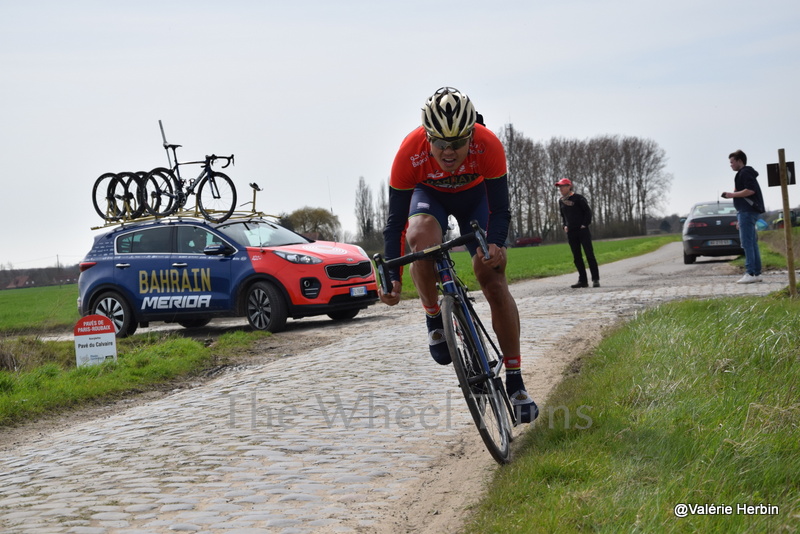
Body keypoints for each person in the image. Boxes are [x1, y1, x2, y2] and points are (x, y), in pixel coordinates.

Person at [380, 87, 538, 423]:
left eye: (457, 144)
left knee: (493, 277)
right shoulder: (409, 152)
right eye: (439, 143)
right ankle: (433, 315)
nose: (448, 152)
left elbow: (501, 208)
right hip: (430, 198)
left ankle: (515, 380)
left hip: (475, 199)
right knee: (419, 240)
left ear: (471, 135)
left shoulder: (488, 144)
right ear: (427, 137)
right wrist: (392, 279)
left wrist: (495, 243)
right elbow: (394, 225)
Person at [722, 149, 765, 284]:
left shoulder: (744, 172)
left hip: (747, 212)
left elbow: (750, 190)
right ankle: (756, 273)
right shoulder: (746, 172)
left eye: (732, 162)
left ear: (740, 161)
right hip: (746, 212)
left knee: (747, 243)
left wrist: (731, 195)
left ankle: (750, 273)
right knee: (752, 243)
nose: (731, 165)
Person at [556, 178, 600, 288]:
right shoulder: (561, 201)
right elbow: (563, 216)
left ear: (569, 186)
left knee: (589, 255)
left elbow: (588, 212)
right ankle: (583, 280)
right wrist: (565, 225)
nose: (560, 189)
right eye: (559, 187)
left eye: (562, 186)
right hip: (571, 232)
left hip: (582, 231)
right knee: (577, 257)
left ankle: (595, 279)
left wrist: (584, 224)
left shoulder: (579, 198)